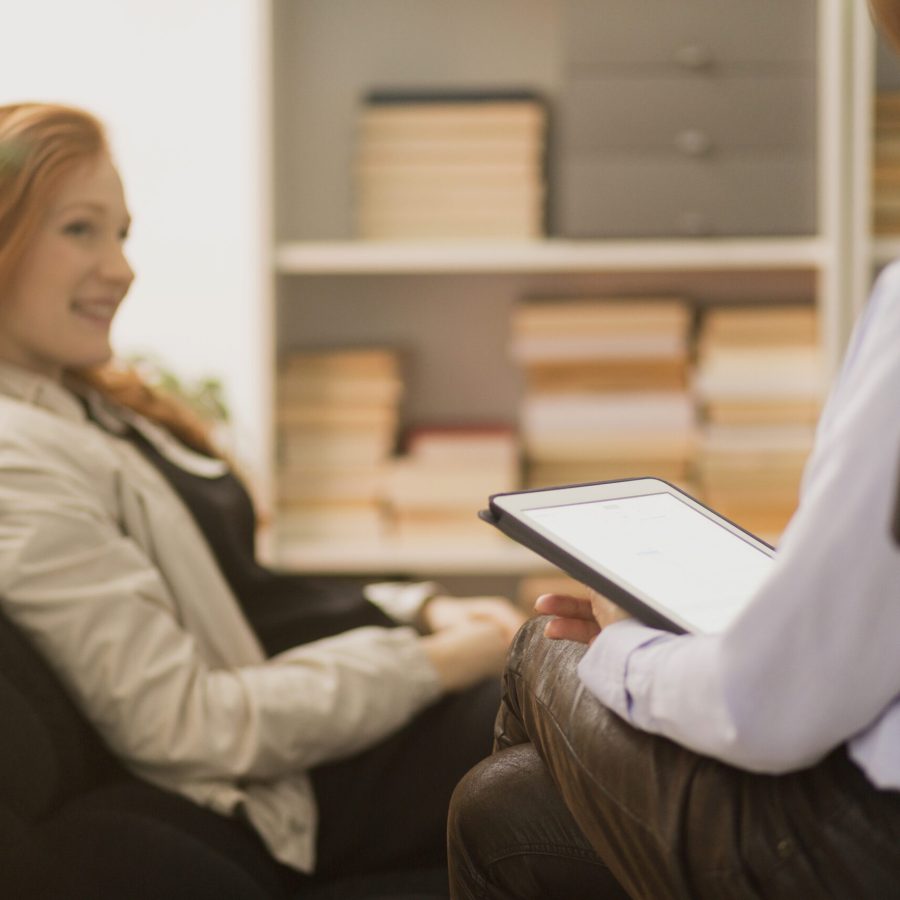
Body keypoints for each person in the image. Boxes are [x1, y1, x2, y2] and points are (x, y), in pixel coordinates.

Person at [0, 101, 527, 889]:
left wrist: (414, 608)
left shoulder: (85, 406)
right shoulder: (17, 457)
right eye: (81, 228)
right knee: (576, 743)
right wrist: (432, 662)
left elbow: (250, 600)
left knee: (584, 715)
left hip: (303, 749)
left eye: (122, 233)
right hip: (275, 790)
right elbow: (187, 723)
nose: (122, 267)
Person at [447, 2, 900, 897]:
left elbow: (768, 710)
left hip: (862, 846)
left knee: (547, 644)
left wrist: (625, 644)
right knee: (502, 808)